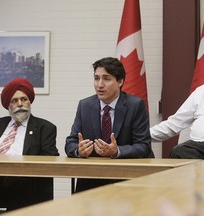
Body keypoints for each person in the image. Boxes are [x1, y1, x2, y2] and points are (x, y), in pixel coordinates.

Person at [65, 57, 154, 192]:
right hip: (92, 179)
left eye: (106, 79)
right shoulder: (85, 106)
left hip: (126, 178)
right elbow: (70, 142)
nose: (100, 85)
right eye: (96, 78)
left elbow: (143, 146)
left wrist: (117, 151)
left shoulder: (135, 105)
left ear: (120, 81)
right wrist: (79, 150)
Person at [0, 78, 59, 214]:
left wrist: (17, 171)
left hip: (24, 181)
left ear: (29, 101)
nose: (20, 104)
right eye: (14, 101)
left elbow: (50, 158)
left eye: (24, 99)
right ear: (8, 105)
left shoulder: (45, 128)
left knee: (20, 187)